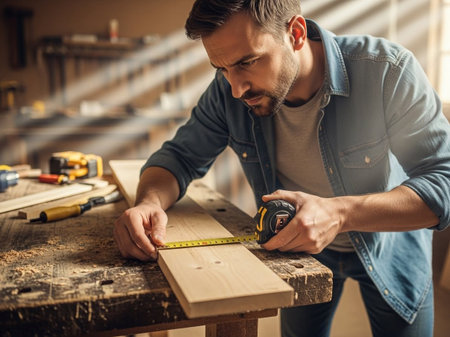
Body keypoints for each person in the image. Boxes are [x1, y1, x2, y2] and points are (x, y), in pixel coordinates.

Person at [114, 1, 450, 336]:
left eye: (247, 62)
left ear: (296, 33)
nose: (236, 88)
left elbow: (444, 183)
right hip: (297, 251)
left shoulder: (387, 70)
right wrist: (149, 203)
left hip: (392, 249)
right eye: (222, 68)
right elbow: (178, 158)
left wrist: (340, 213)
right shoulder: (228, 92)